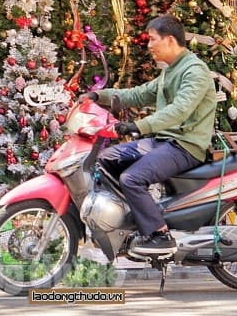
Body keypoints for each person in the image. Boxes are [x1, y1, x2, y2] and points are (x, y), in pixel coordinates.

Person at [83, 15, 217, 254]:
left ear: (170, 39)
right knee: (107, 159)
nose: (149, 45)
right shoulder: (171, 70)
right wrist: (98, 96)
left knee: (132, 179)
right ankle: (131, 221)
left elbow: (179, 111)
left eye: (152, 39)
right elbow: (138, 94)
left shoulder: (195, 71)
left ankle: (159, 234)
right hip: (165, 142)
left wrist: (136, 126)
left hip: (186, 146)